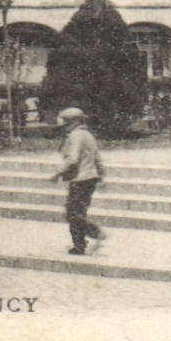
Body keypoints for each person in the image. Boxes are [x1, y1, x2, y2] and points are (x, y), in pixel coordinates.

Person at [51, 107, 106, 256]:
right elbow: (97, 158)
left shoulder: (75, 136)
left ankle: (87, 238)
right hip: (90, 178)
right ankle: (83, 241)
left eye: (66, 122)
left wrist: (57, 173)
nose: (64, 126)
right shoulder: (88, 134)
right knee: (78, 211)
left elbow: (73, 159)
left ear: (73, 122)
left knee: (72, 213)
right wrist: (101, 175)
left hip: (79, 179)